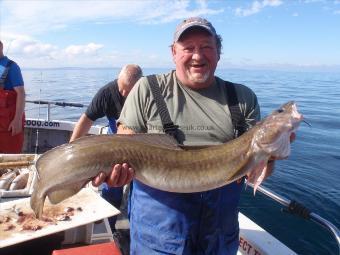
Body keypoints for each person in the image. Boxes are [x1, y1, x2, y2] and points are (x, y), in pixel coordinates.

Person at [93, 17, 275, 254]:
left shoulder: (242, 98)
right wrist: (115, 174)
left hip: (219, 238)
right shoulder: (147, 90)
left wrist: (270, 155)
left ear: (218, 52)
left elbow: (256, 174)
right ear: (173, 53)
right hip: (157, 238)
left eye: (206, 47)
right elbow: (121, 147)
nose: (197, 56)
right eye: (188, 48)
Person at [70, 64, 142, 232]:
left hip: (140, 147)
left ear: (139, 86)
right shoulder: (107, 92)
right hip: (114, 143)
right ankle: (109, 229)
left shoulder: (146, 93)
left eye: (128, 91)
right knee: (111, 187)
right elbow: (86, 120)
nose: (123, 94)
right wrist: (71, 150)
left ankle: (134, 231)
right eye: (121, 89)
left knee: (138, 192)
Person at [0, 40, 25, 153]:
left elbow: (21, 93)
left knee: (9, 158)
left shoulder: (12, 66)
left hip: (8, 123)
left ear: (1, 47)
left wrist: (17, 120)